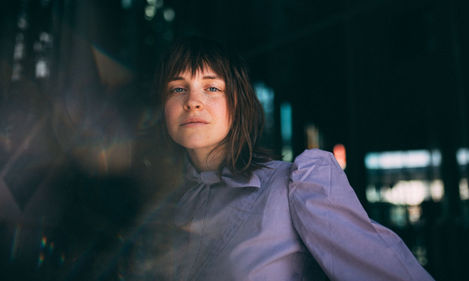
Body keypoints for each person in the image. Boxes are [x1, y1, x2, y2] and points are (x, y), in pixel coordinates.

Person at [125, 37, 434, 281]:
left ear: (237, 103)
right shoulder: (160, 210)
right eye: (178, 88)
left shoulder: (295, 185)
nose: (193, 101)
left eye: (211, 87)